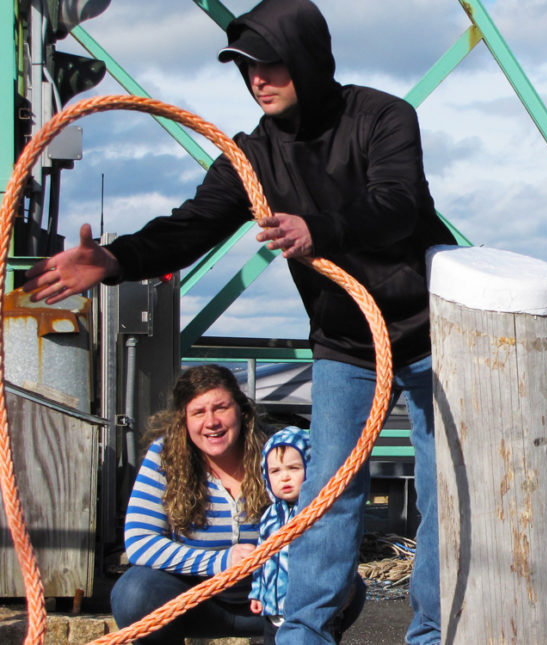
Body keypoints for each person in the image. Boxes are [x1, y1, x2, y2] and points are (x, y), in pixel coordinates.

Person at [24, 0, 454, 642]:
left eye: (271, 64)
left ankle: (430, 636)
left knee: (445, 495)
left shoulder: (383, 116)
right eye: (246, 68)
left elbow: (397, 205)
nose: (257, 79)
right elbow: (190, 226)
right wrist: (114, 260)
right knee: (326, 497)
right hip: (346, 342)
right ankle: (301, 634)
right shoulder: (251, 156)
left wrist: (323, 230)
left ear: (307, 62)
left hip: (430, 335)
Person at [109, 364, 269, 643]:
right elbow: (139, 542)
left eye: (221, 408)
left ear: (241, 411)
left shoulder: (277, 453)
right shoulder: (165, 457)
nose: (211, 422)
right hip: (195, 602)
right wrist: (221, 561)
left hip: (269, 600)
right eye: (198, 412)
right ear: (184, 420)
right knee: (134, 592)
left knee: (344, 587)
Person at [248, 426, 366, 644]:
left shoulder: (318, 513)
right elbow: (262, 559)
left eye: (293, 468)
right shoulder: (269, 517)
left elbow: (338, 554)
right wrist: (258, 591)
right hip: (274, 613)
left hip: (313, 612)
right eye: (275, 471)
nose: (284, 477)